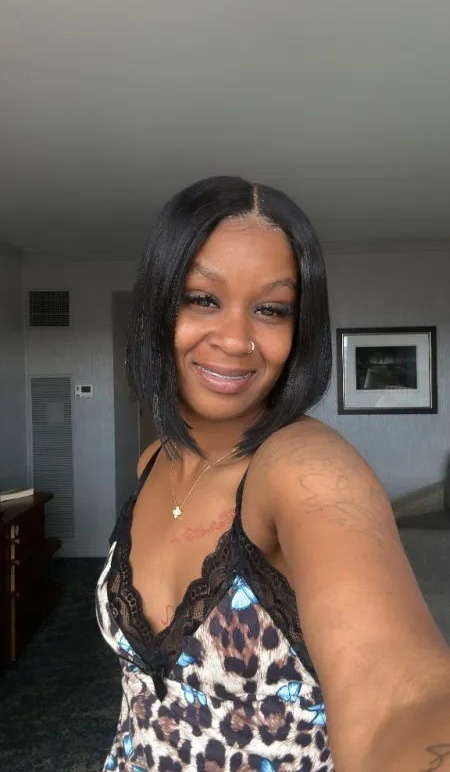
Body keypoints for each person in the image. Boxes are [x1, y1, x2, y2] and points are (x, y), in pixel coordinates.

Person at [96, 176, 450, 772]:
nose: (237, 340)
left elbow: (401, 697)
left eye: (271, 310)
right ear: (156, 307)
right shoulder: (152, 461)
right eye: (202, 298)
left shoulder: (305, 467)